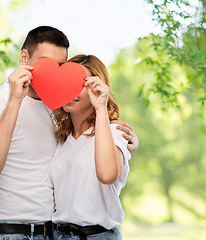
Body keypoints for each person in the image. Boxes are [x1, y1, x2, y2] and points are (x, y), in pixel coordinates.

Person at [0, 26, 138, 240]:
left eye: (59, 66)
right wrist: (14, 101)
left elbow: (103, 164)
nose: (52, 72)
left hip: (53, 233)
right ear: (24, 57)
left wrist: (124, 136)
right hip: (8, 232)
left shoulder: (58, 111)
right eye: (44, 62)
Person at [50, 54, 131, 240]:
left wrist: (101, 108)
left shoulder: (116, 131)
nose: (71, 91)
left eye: (81, 84)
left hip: (97, 236)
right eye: (67, 83)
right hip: (58, 235)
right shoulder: (61, 138)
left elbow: (107, 175)